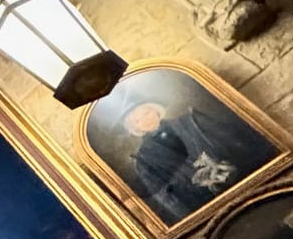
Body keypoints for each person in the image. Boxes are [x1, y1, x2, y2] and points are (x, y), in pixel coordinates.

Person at [114, 96, 268, 224]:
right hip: (211, 209)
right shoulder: (144, 160)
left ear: (155, 110)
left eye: (146, 113)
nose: (145, 120)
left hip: (247, 183)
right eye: (138, 120)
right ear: (135, 127)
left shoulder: (191, 121)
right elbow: (169, 199)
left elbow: (235, 144)